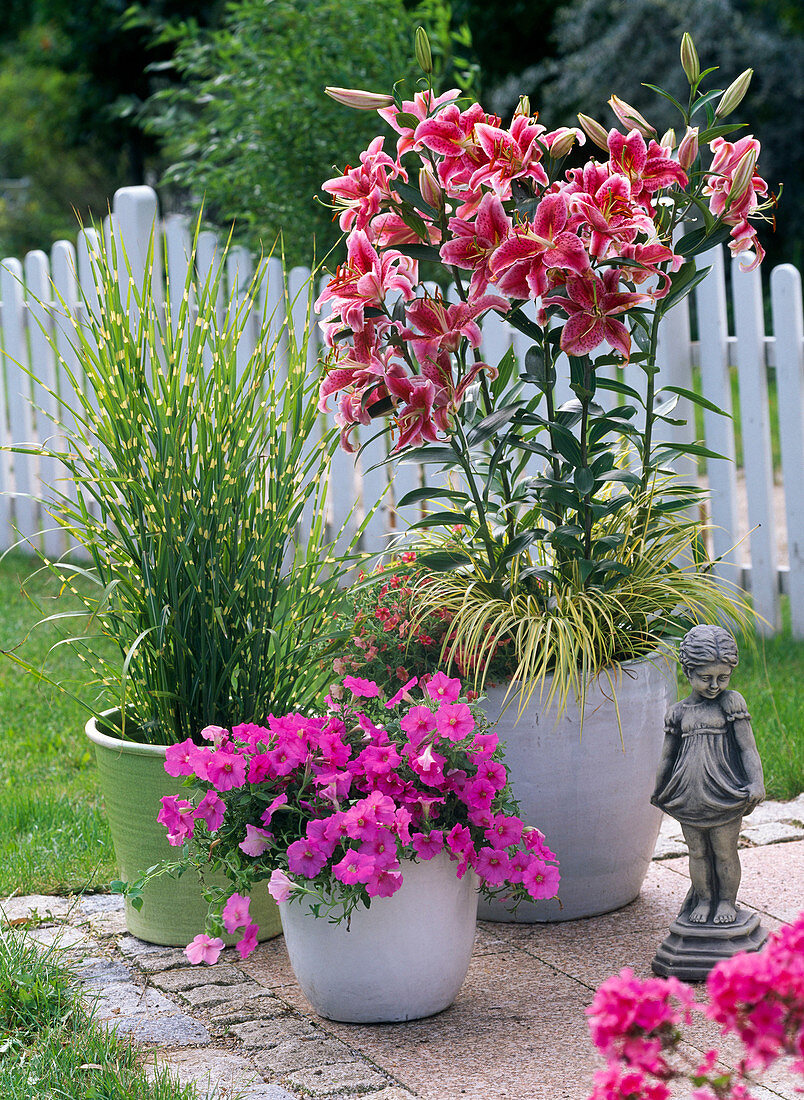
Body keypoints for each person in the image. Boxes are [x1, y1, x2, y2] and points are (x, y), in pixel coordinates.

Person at [651, 624, 765, 925]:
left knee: (725, 852)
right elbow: (667, 756)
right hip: (688, 794)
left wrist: (756, 782)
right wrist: (659, 789)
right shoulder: (679, 712)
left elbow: (747, 749)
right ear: (687, 673)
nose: (715, 685)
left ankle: (726, 901)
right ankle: (703, 899)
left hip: (724, 791)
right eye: (706, 678)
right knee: (697, 852)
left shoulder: (731, 703)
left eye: (722, 677)